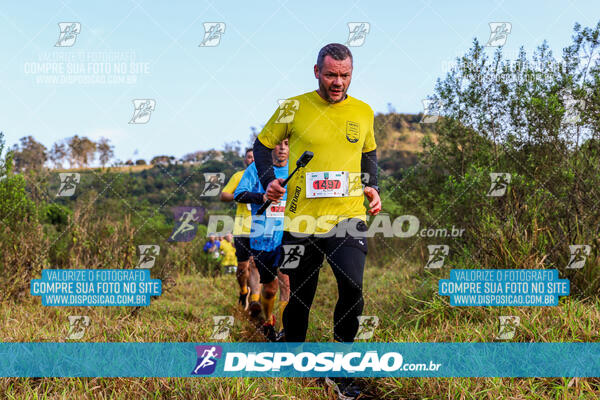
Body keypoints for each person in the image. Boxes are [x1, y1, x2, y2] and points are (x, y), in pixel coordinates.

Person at [253, 43, 381, 398]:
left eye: (344, 75)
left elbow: (368, 154)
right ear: (316, 72)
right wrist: (269, 180)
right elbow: (263, 145)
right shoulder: (294, 107)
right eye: (330, 75)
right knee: (301, 296)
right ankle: (293, 351)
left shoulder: (364, 112)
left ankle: (341, 368)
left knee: (352, 287)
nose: (337, 82)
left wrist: (372, 187)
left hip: (348, 218)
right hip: (302, 221)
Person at [234, 139, 290, 341]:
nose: (282, 148)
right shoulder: (255, 169)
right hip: (261, 237)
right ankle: (269, 320)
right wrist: (263, 198)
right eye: (278, 144)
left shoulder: (296, 168)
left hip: (289, 235)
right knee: (270, 287)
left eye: (286, 144)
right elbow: (239, 195)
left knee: (286, 281)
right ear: (269, 148)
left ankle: (284, 331)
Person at [220, 148, 260, 310]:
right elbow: (223, 196)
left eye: (255, 157)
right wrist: (241, 195)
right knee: (243, 267)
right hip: (242, 228)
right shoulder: (239, 176)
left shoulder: (266, 177)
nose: (252, 160)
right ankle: (243, 290)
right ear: (245, 160)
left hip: (261, 228)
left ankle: (255, 300)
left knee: (256, 265)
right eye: (249, 157)